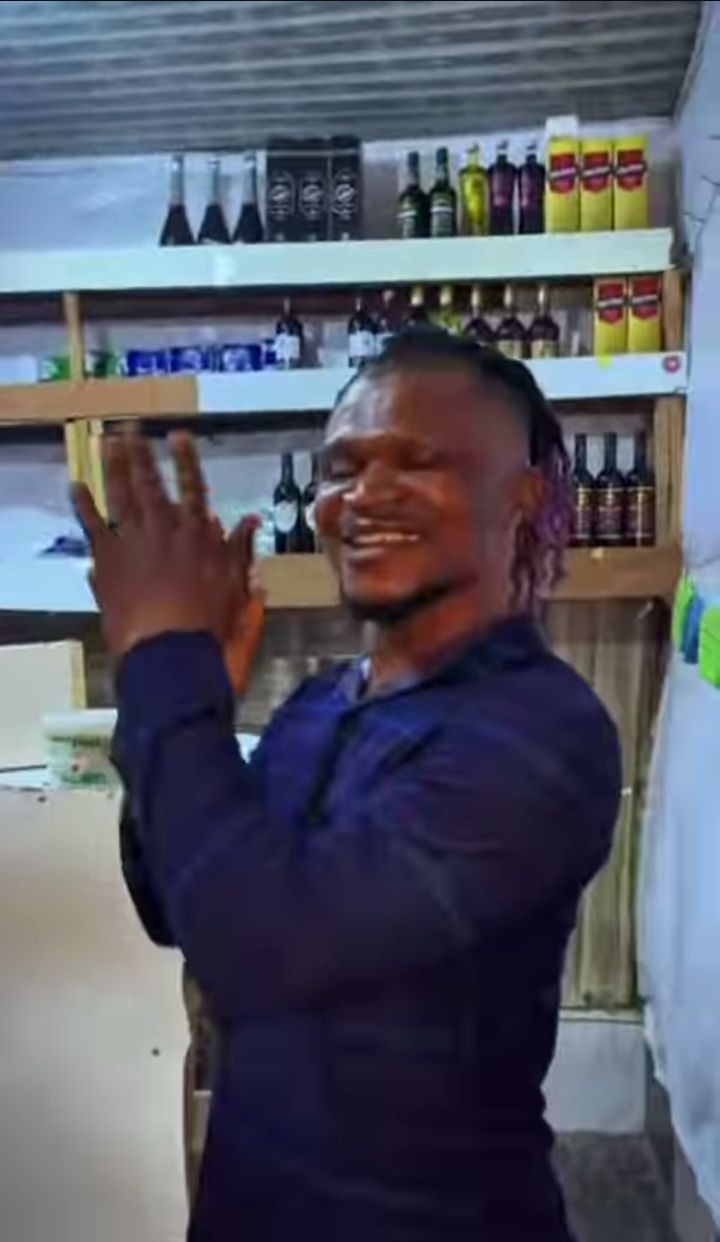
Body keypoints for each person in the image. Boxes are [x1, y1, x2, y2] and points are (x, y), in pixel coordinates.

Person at [75, 331, 621, 1242]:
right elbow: (176, 903)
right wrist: (192, 693)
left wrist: (165, 664)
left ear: (522, 496)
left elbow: (261, 959)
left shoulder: (543, 734)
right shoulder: (320, 704)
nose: (366, 494)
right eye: (343, 467)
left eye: (420, 462)